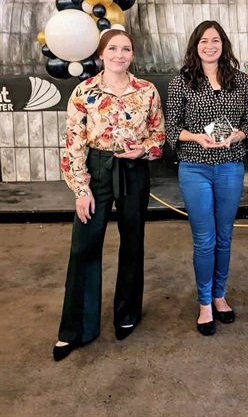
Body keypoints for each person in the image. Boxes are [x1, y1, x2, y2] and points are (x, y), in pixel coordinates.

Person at [53, 29, 165, 361]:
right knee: (84, 244)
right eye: (113, 48)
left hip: (133, 169)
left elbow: (158, 134)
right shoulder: (83, 91)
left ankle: (127, 313)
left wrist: (142, 149)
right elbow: (73, 142)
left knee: (133, 241)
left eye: (126, 48)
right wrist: (81, 189)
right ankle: (76, 328)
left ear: (133, 54)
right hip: (96, 167)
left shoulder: (146, 91)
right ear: (101, 54)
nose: (120, 54)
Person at [166, 21, 248, 336]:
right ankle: (204, 303)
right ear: (195, 45)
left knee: (225, 237)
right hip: (195, 167)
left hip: (230, 166)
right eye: (204, 40)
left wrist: (237, 135)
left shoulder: (240, 81)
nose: (210, 45)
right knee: (204, 240)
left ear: (224, 45)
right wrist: (196, 138)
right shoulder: (181, 82)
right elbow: (171, 128)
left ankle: (220, 296)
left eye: (215, 40)